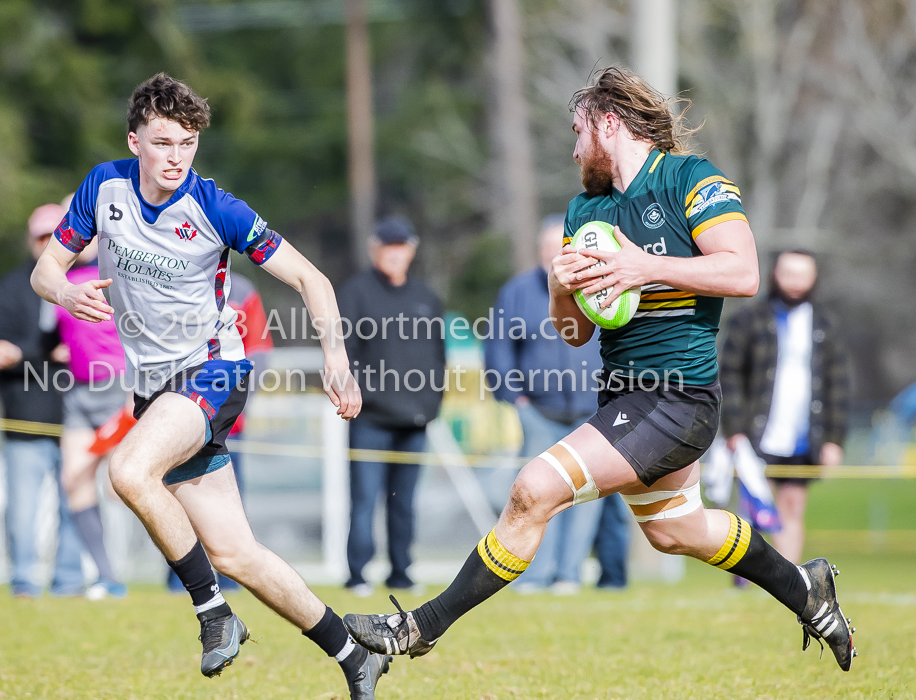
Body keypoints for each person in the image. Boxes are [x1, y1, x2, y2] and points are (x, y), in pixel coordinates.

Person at [343, 66, 856, 672]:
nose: (573, 147)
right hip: (623, 397)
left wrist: (645, 267)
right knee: (677, 531)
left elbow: (742, 272)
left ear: (608, 123)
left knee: (533, 489)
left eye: (577, 131)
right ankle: (806, 589)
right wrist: (562, 291)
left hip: (678, 398)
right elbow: (577, 332)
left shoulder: (690, 179)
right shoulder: (587, 209)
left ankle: (418, 629)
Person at [30, 74, 390, 698]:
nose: (176, 157)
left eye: (188, 143)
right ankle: (353, 655)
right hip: (153, 386)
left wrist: (336, 356)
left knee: (128, 471)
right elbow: (46, 269)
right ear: (134, 139)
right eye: (164, 142)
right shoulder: (104, 186)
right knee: (235, 553)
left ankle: (212, 613)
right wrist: (64, 290)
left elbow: (313, 279)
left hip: (212, 370)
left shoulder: (215, 207)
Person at [485, 214, 629, 594]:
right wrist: (513, 397)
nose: (553, 255)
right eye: (546, 248)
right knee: (535, 497)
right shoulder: (516, 291)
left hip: (591, 415)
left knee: (584, 500)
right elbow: (498, 348)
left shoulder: (598, 288)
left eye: (558, 247)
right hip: (538, 413)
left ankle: (569, 574)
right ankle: (533, 575)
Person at [337, 216, 445, 597]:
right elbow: (342, 353)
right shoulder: (355, 293)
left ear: (411, 251)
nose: (395, 254)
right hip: (370, 419)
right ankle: (357, 574)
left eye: (401, 247)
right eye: (388, 246)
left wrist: (431, 405)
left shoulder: (426, 297)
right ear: (374, 249)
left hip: (414, 421)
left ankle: (402, 571)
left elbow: (437, 355)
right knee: (364, 501)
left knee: (405, 504)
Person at [721, 250, 849, 565]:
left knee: (792, 508)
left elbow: (838, 385)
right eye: (787, 273)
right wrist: (734, 428)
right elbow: (729, 375)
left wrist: (834, 439)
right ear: (775, 274)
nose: (794, 283)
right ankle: (749, 582)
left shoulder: (825, 324)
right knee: (755, 509)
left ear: (814, 278)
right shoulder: (751, 318)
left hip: (806, 435)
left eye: (802, 275)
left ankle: (789, 582)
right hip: (757, 431)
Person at [0, 205, 84, 599]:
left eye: (54, 235)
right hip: (24, 420)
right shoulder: (10, 289)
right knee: (23, 512)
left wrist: (22, 354)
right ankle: (24, 582)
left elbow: (99, 352)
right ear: (31, 240)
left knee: (75, 507)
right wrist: (45, 353)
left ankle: (69, 581)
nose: (48, 244)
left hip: (75, 418)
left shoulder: (87, 284)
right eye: (42, 237)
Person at [167, 270, 272, 595]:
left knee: (225, 502)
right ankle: (180, 579)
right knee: (178, 497)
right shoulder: (173, 278)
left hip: (227, 422)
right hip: (178, 414)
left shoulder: (243, 289)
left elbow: (260, 350)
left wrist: (235, 401)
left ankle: (230, 577)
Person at [53, 234, 129, 600]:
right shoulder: (57, 279)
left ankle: (185, 567)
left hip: (118, 387)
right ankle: (107, 576)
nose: (76, 236)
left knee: (123, 486)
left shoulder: (118, 271)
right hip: (78, 391)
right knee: (74, 479)